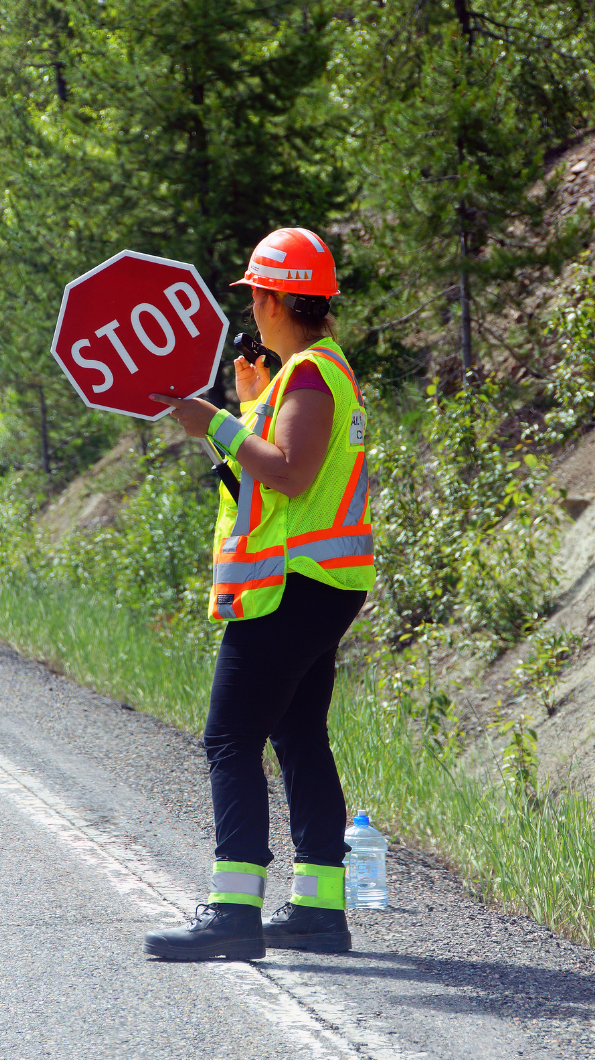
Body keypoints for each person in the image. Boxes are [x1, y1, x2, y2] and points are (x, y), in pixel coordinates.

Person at [144, 227, 375, 961]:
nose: (251, 308)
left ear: (275, 299)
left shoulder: (308, 376)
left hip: (291, 587)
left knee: (229, 738)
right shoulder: (309, 373)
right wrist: (244, 408)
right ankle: (319, 909)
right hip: (319, 585)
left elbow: (289, 474)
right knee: (298, 734)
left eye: (254, 296)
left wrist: (211, 418)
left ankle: (234, 914)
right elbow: (268, 470)